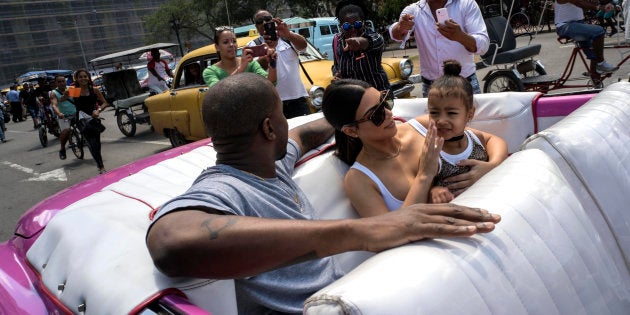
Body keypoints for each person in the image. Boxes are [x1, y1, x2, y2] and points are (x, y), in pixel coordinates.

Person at [146, 73, 501, 314]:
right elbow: (169, 240)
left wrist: (357, 115)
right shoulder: (224, 188)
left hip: (348, 295)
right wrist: (362, 232)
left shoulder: (271, 161)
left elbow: (304, 135)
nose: (291, 123)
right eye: (284, 115)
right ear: (270, 128)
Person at [321, 76, 506, 217]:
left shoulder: (423, 127)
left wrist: (491, 167)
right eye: (375, 114)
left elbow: (490, 140)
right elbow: (390, 234)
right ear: (352, 131)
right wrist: (424, 176)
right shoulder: (359, 181)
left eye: (385, 101)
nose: (388, 113)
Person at [425, 60, 507, 203]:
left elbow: (497, 142)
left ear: (469, 114)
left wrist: (492, 166)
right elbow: (423, 181)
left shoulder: (475, 138)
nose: (441, 120)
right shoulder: (432, 151)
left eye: (451, 113)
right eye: (434, 112)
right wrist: (434, 191)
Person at [389, 0, 490, 97]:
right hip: (431, 88)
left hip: (464, 85)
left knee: (471, 115)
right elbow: (396, 35)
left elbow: (483, 45)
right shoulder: (413, 10)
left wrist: (460, 36)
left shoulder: (466, 4)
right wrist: (401, 27)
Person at [248, 10, 311, 118]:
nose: (264, 23)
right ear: (256, 26)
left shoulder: (287, 38)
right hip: (272, 104)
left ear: (273, 20)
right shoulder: (253, 45)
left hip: (297, 100)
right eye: (259, 21)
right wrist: (269, 50)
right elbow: (255, 70)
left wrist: (288, 34)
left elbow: (303, 46)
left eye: (267, 19)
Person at [332, 0, 390, 92]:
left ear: (363, 23)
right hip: (352, 97)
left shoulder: (374, 36)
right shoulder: (337, 41)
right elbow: (336, 65)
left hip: (377, 94)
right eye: (347, 26)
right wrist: (336, 75)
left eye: (357, 24)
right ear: (341, 26)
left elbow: (373, 42)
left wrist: (359, 42)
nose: (353, 29)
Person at [554, 0, 619, 75]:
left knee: (594, 52)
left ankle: (595, 78)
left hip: (578, 24)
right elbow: (579, 2)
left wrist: (608, 3)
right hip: (565, 26)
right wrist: (599, 7)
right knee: (599, 31)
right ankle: (601, 64)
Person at [203, 26, 276, 87]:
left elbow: (269, 83)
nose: (231, 45)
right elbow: (218, 91)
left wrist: (272, 62)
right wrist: (241, 68)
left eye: (234, 41)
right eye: (225, 42)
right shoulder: (210, 72)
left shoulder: (250, 64)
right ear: (217, 47)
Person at [72, 69, 109, 174]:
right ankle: (101, 167)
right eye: (80, 77)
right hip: (81, 119)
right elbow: (63, 99)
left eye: (85, 76)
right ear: (77, 79)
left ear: (88, 78)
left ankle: (98, 161)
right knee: (92, 143)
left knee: (97, 144)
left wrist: (98, 110)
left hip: (94, 118)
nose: (83, 78)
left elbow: (105, 103)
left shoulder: (94, 90)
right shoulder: (74, 91)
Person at [50, 75, 77, 160]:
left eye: (63, 81)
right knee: (66, 131)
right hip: (64, 116)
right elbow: (54, 105)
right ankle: (62, 148)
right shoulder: (54, 93)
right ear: (56, 83)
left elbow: (79, 99)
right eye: (59, 81)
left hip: (76, 113)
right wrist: (59, 113)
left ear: (66, 81)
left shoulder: (71, 88)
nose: (61, 83)